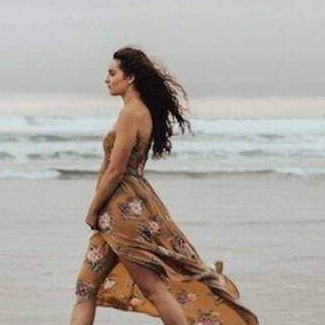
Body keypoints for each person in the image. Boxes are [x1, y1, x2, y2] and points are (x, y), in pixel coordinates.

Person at [69, 46, 259, 325]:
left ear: (130, 77)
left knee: (154, 289)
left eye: (112, 73)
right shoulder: (139, 112)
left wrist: (92, 209)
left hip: (121, 213)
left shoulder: (131, 113)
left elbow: (116, 171)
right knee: (86, 287)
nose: (106, 79)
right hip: (122, 211)